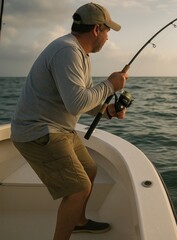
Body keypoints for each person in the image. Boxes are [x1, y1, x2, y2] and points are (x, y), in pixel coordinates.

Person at [10, 3, 127, 240]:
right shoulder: (67, 51)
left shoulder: (79, 54)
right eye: (107, 32)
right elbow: (76, 103)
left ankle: (78, 221)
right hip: (38, 132)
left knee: (90, 170)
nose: (107, 38)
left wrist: (108, 110)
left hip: (59, 128)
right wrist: (110, 85)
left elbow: (81, 99)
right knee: (79, 188)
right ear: (96, 29)